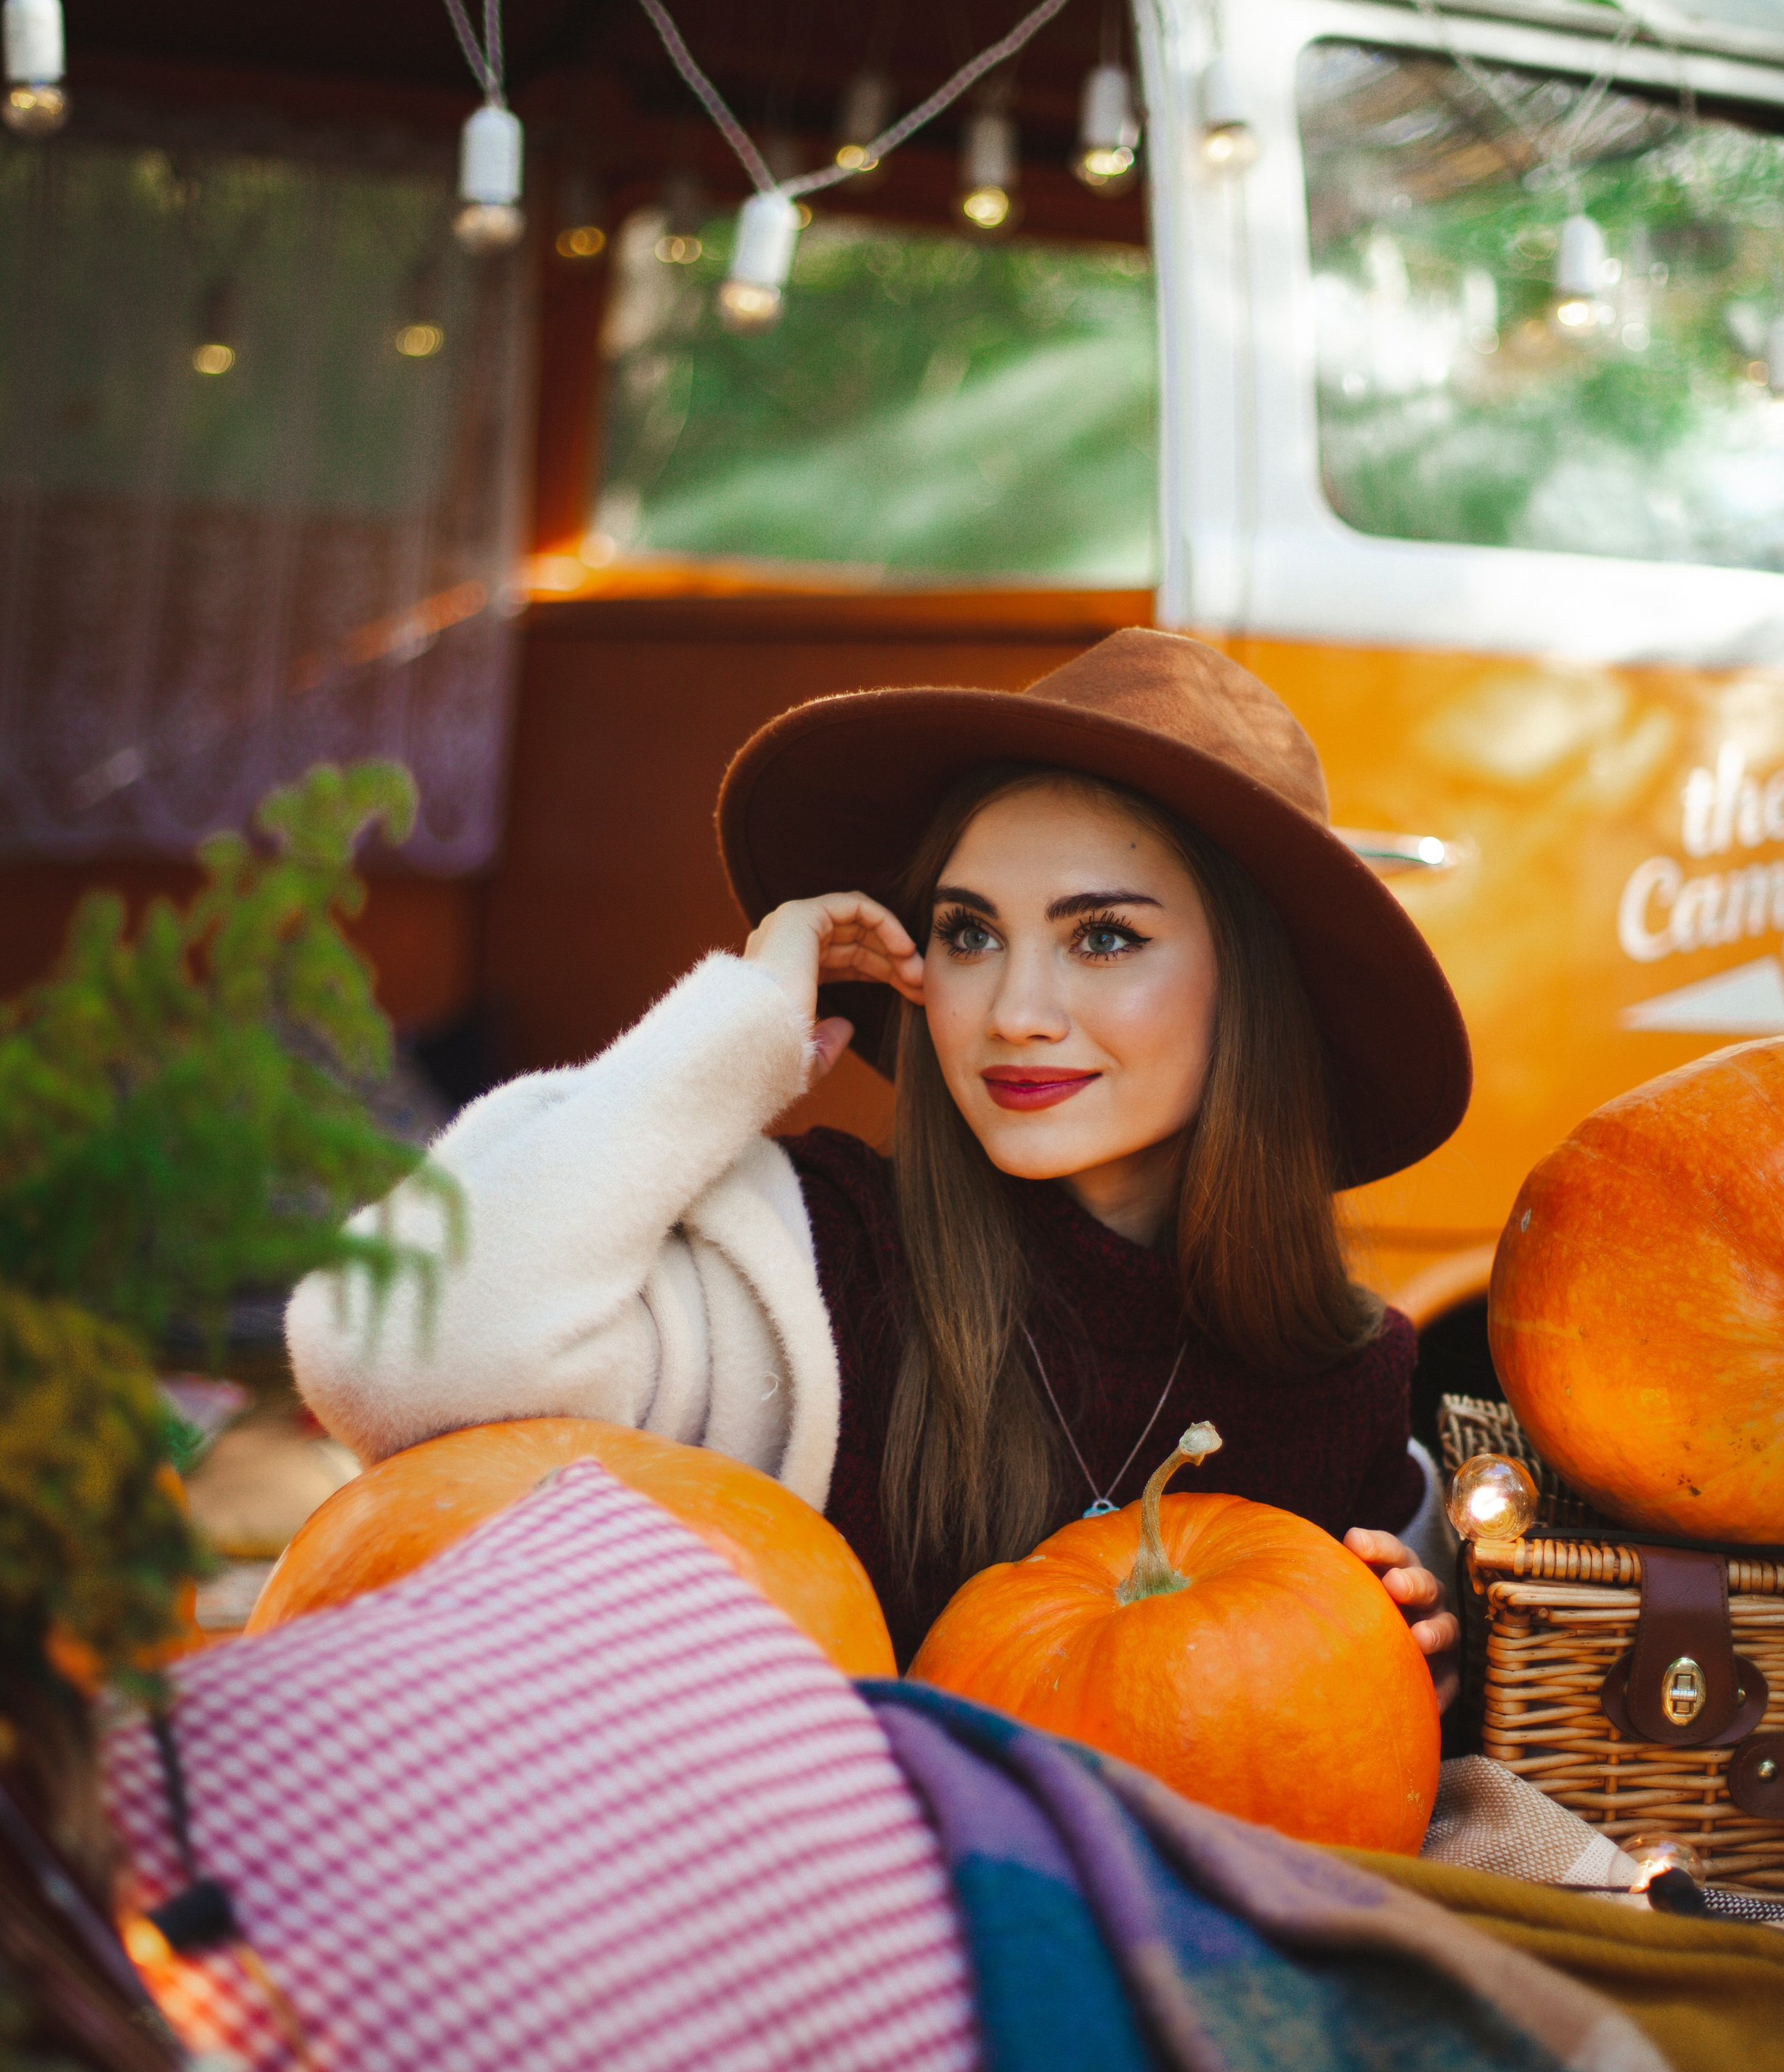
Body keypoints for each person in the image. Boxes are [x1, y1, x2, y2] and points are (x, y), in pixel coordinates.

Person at [288, 629, 1471, 1680]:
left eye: (1103, 937)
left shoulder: (1343, 1382)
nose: (1015, 1009)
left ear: (1253, 992)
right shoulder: (812, 1263)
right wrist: (736, 1028)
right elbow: (389, 1353)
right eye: (968, 934)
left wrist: (1414, 1651)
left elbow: (1348, 1741)